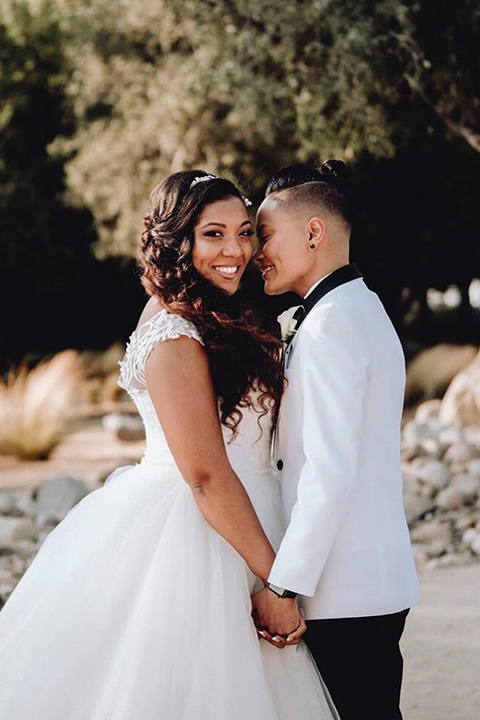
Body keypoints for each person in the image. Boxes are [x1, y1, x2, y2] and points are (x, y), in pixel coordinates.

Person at [0, 170, 338, 720]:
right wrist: (277, 581)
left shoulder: (213, 317)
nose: (235, 250)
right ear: (178, 240)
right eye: (213, 234)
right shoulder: (174, 331)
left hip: (247, 518)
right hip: (200, 538)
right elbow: (205, 472)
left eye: (245, 232)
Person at [252, 161, 420, 720]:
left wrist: (284, 587)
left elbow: (329, 471)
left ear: (314, 232)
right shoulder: (360, 308)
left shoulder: (329, 326)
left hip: (343, 589)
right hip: (370, 579)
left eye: (266, 233)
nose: (257, 251)